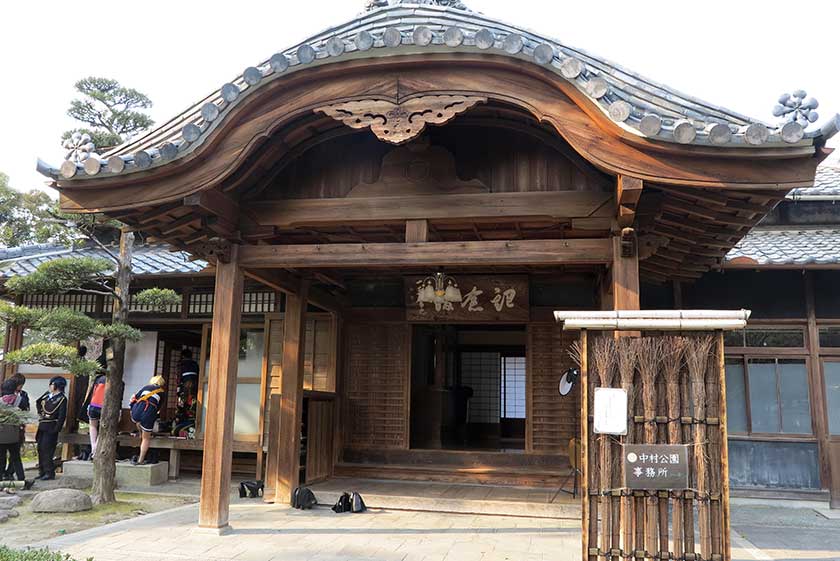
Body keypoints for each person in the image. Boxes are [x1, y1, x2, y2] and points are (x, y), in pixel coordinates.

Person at [35, 376, 68, 481]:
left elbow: (62, 416)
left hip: (51, 426)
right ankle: (42, 471)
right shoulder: (46, 396)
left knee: (47, 449)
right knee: (40, 448)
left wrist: (57, 428)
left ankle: (49, 472)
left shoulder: (62, 399)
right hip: (42, 425)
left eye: (52, 384)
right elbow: (39, 405)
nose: (50, 386)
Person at [129, 375, 165, 465]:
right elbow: (158, 408)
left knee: (138, 421)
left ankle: (140, 433)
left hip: (136, 411)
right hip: (148, 412)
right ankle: (140, 460)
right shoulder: (161, 392)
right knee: (146, 439)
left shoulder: (146, 387)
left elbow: (135, 397)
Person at [1, 377, 27, 481]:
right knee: (16, 458)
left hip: (1, 434)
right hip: (15, 434)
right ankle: (21, 479)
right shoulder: (21, 400)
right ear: (14, 388)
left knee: (1, 458)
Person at [84, 372, 107, 459]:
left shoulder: (98, 379)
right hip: (104, 407)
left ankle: (93, 446)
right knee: (103, 428)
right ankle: (97, 448)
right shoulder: (113, 380)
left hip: (93, 405)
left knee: (93, 426)